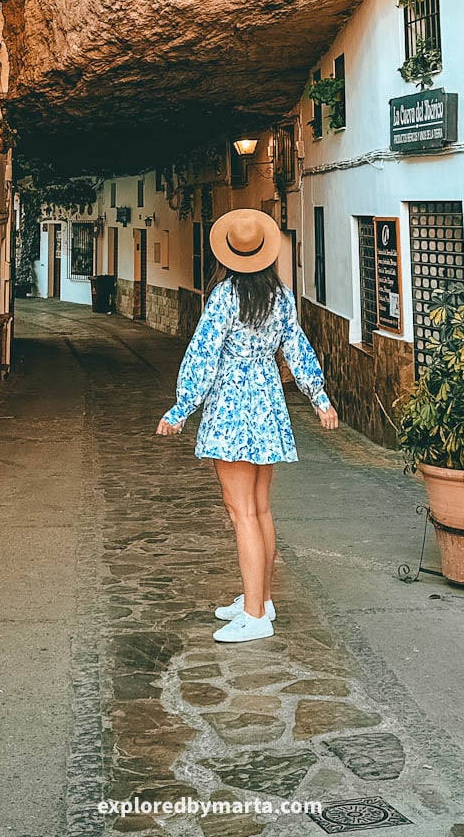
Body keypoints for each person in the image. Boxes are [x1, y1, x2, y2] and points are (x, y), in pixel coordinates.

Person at [155, 208, 338, 643]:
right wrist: (320, 399)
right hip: (268, 403)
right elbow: (298, 349)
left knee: (241, 514)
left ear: (229, 255)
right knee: (260, 509)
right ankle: (262, 598)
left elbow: (203, 354)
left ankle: (255, 616)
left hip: (232, 407)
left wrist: (181, 409)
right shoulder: (281, 296)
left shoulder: (224, 296)